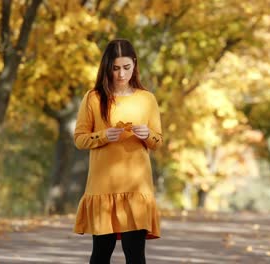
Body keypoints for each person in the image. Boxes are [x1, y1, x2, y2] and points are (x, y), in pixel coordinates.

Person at [73, 38, 163, 264]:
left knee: (135, 256)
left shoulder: (147, 99)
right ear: (107, 67)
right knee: (101, 254)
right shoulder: (93, 98)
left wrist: (147, 135)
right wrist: (103, 136)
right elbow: (79, 139)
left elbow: (158, 141)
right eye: (115, 68)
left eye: (126, 67)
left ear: (134, 64)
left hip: (136, 189)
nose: (121, 74)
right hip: (103, 189)